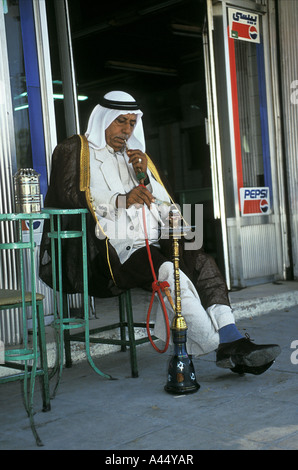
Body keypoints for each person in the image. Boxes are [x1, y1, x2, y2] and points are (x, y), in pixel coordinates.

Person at [39, 90, 281, 375]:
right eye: (120, 122)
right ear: (102, 119)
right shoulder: (78, 150)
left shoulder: (138, 158)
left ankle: (230, 335)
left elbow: (166, 204)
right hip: (115, 250)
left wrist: (146, 180)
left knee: (203, 262)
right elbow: (68, 196)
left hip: (157, 239)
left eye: (131, 122)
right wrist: (122, 199)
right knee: (169, 272)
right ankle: (222, 345)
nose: (126, 130)